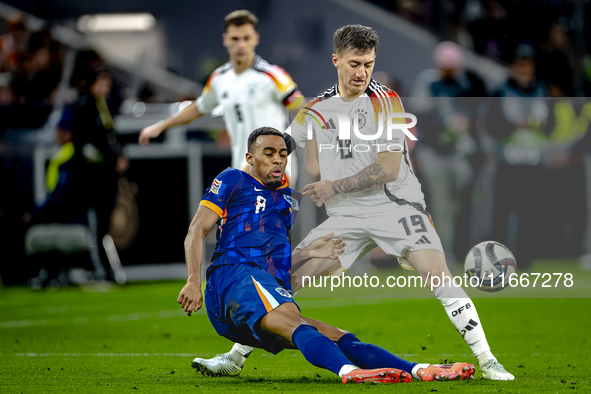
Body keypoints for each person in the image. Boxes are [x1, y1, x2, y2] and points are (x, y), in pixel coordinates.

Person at [196, 25, 514, 381]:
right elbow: (277, 147)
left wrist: (336, 185)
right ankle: (235, 358)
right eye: (354, 63)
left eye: (369, 63)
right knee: (283, 280)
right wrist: (242, 183)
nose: (362, 72)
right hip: (347, 216)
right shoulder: (316, 109)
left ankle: (488, 361)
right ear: (336, 61)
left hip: (397, 208)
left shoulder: (387, 101)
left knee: (437, 275)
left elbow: (390, 168)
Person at [179, 127, 475, 384]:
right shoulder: (233, 179)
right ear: (250, 158)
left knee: (341, 336)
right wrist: (193, 281)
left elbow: (273, 265)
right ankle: (347, 372)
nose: (278, 159)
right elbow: (196, 230)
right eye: (268, 153)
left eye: (282, 153)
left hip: (253, 291)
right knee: (295, 321)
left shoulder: (284, 201)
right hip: (232, 277)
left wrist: (310, 251)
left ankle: (419, 369)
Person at [138, 10, 301, 179]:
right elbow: (199, 108)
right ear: (225, 39)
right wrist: (161, 127)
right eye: (235, 39)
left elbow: (306, 114)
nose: (241, 45)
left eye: (246, 38)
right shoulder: (219, 79)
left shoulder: (272, 76)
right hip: (241, 170)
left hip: (274, 171)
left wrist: (296, 153)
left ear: (255, 38)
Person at [409, 41, 487, 265]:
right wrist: (447, 123)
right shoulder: (428, 84)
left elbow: (476, 114)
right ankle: (444, 254)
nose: (451, 71)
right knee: (441, 206)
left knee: (461, 205)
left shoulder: (464, 84)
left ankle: (460, 250)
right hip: (434, 152)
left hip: (460, 153)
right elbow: (421, 116)